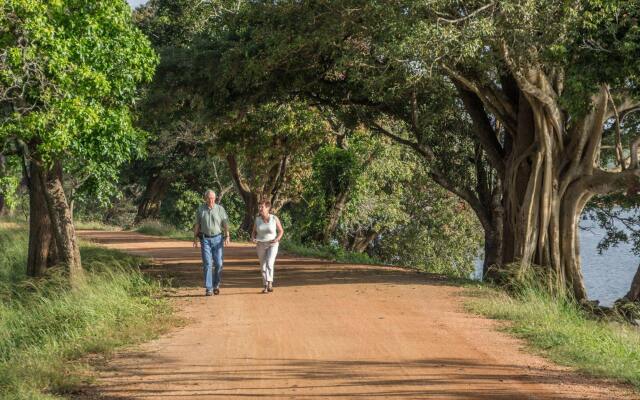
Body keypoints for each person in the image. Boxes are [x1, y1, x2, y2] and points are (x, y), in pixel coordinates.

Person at [193, 189, 230, 296]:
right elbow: (197, 225)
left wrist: (227, 236)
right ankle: (209, 288)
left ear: (215, 198)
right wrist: (195, 238)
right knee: (207, 263)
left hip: (218, 239)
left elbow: (225, 223)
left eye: (213, 198)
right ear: (205, 198)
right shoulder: (200, 209)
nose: (211, 200)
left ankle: (216, 285)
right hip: (205, 239)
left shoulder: (220, 209)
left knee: (219, 263)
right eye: (209, 198)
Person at [251, 200, 284, 293]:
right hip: (261, 244)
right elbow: (253, 232)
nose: (260, 209)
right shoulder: (257, 219)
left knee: (269, 262)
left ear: (268, 208)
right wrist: (253, 238)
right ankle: (265, 285)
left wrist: (277, 239)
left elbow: (281, 231)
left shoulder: (274, 218)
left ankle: (270, 283)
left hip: (272, 244)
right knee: (263, 265)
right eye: (259, 207)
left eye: (262, 207)